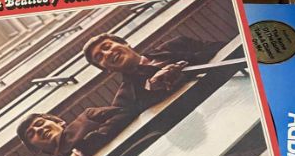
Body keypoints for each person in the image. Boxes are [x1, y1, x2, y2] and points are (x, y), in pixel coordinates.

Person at [83, 33, 226, 111]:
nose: (107, 53)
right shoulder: (124, 99)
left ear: (126, 43)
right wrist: (151, 87)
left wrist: (181, 67)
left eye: (107, 46)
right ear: (107, 69)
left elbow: (221, 47)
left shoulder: (177, 44)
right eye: (99, 57)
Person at [16, 106, 135, 156]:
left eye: (40, 123)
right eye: (31, 134)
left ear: (59, 122)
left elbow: (124, 111)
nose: (39, 130)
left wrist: (81, 150)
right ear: (35, 149)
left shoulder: (87, 117)